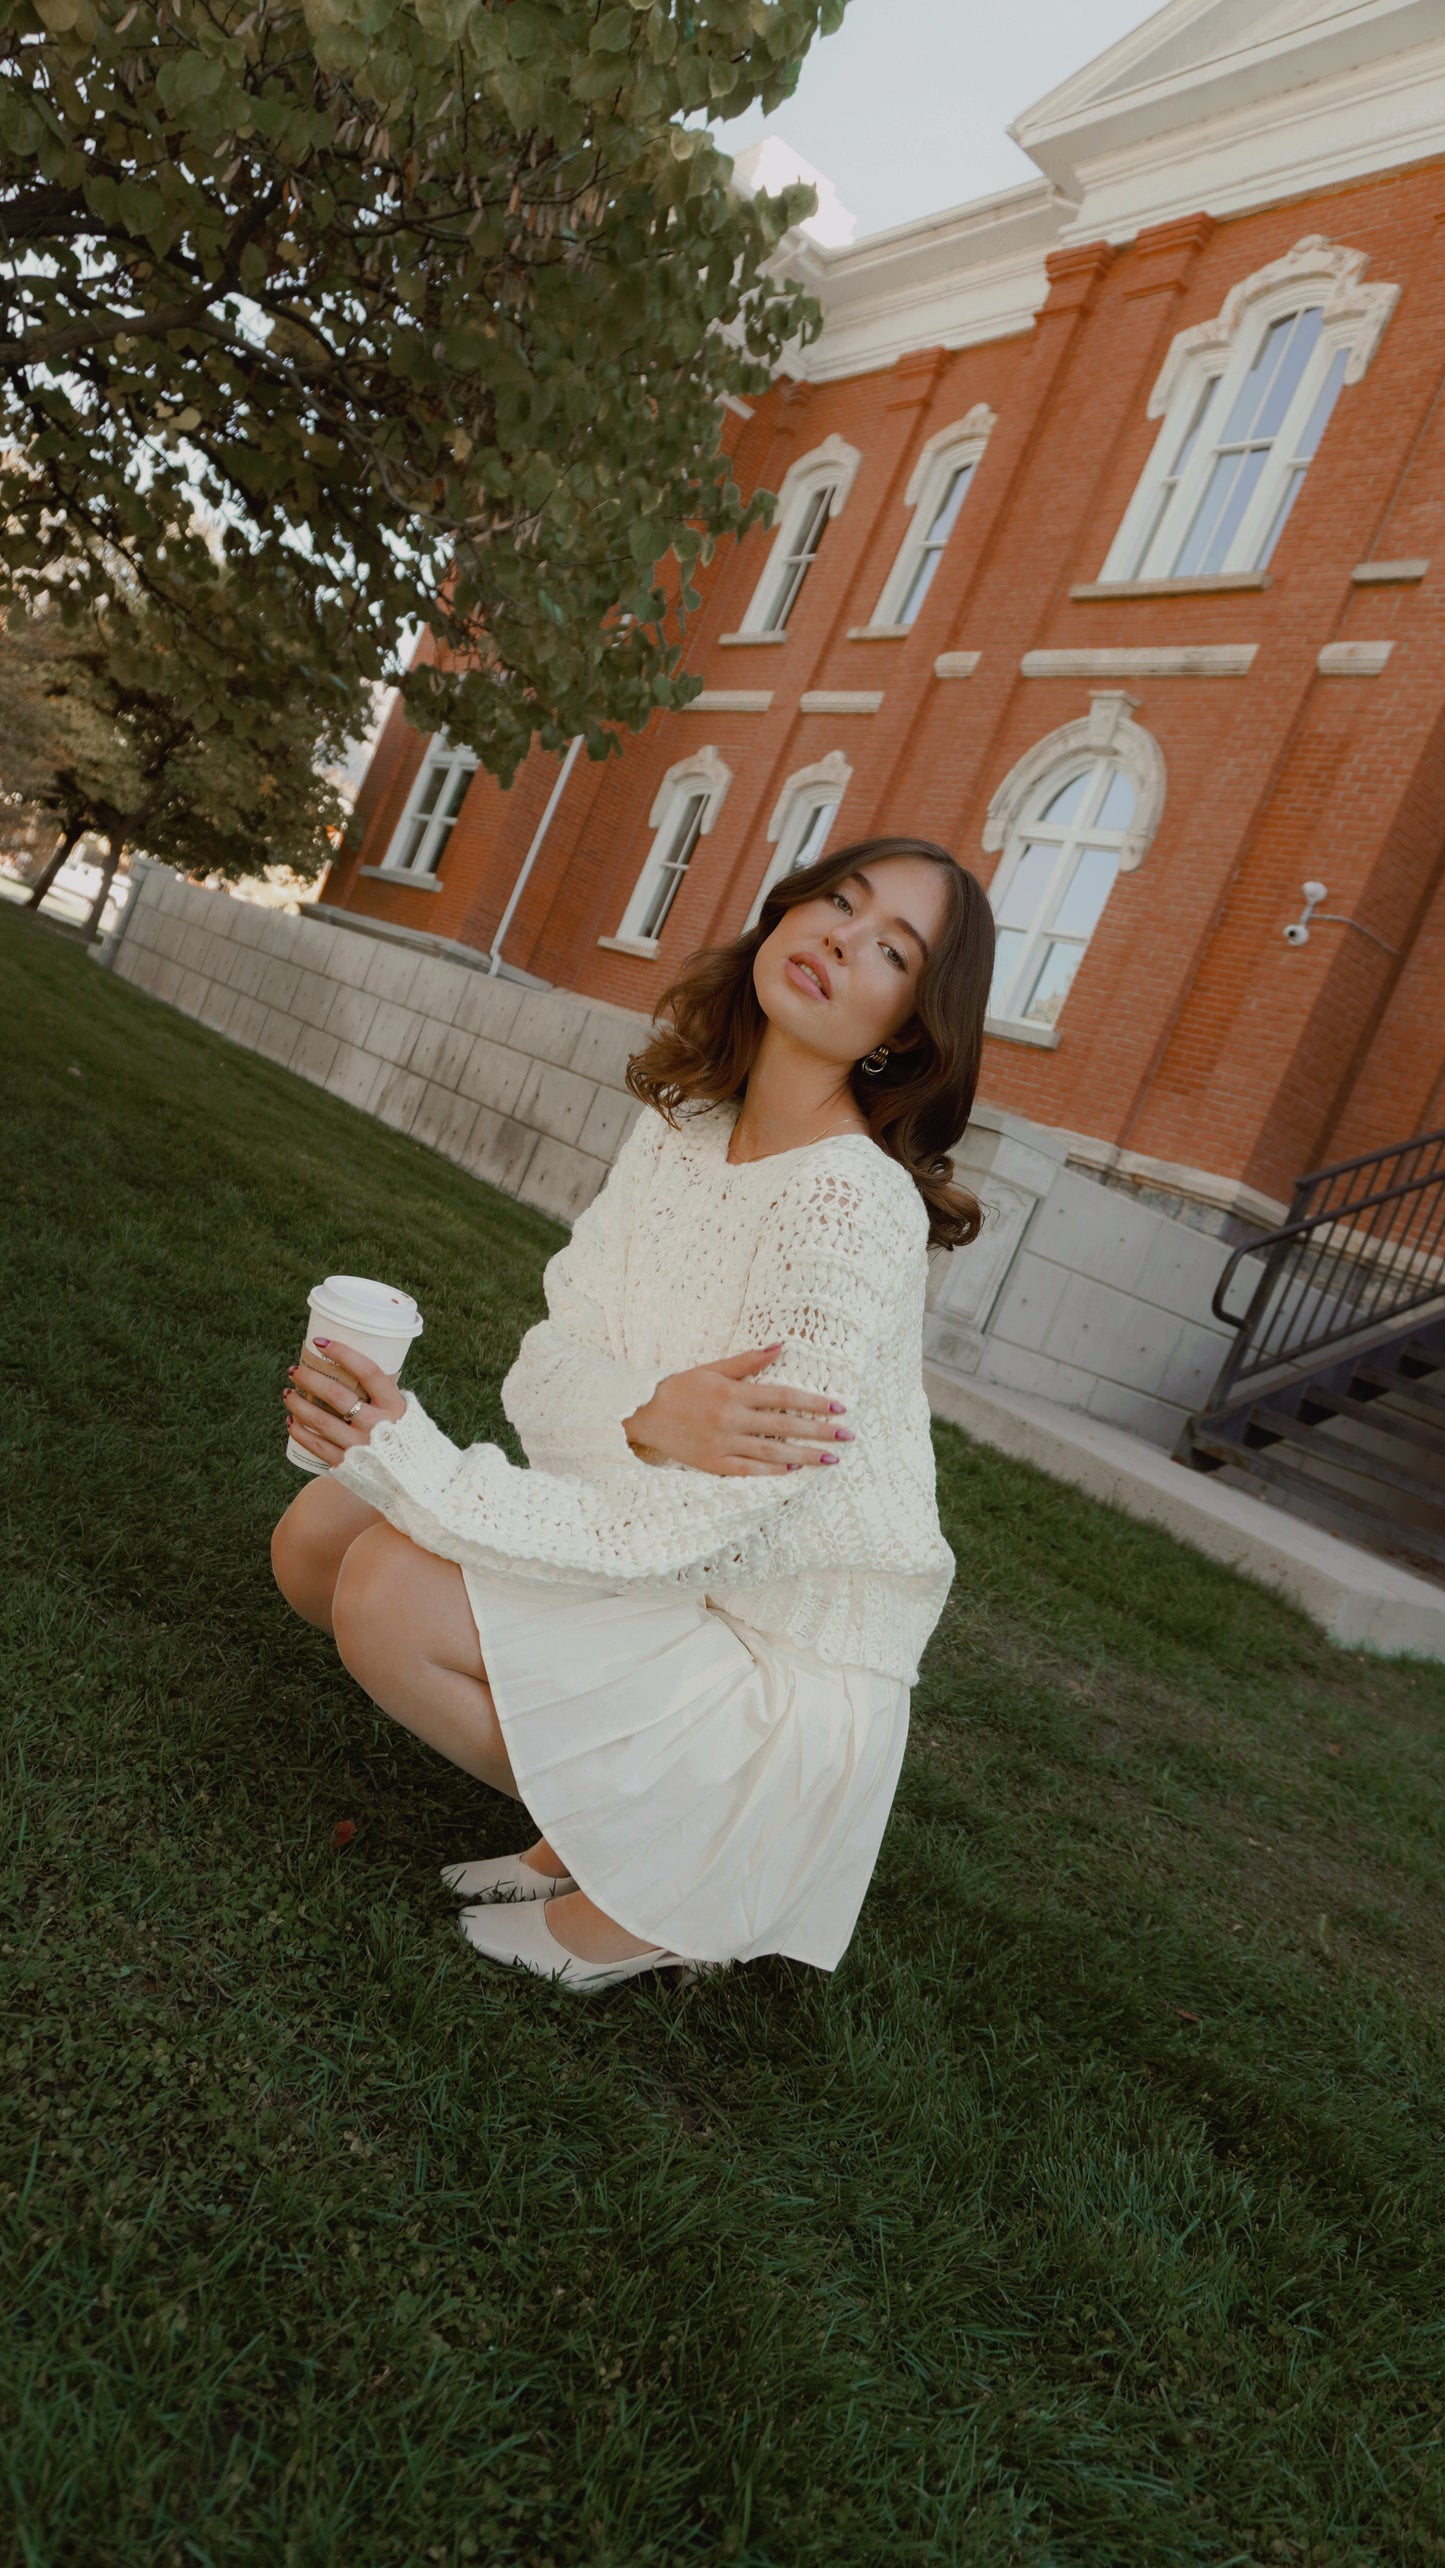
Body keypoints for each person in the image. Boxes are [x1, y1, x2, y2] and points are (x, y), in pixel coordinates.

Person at [270, 836, 994, 1992]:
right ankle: (593, 1829)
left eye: (889, 949)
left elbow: (709, 1532)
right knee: (321, 1531)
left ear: (905, 1027)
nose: (839, 940)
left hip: (773, 1658)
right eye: (835, 903)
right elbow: (547, 1369)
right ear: (786, 911)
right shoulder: (684, 1127)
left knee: (386, 1585)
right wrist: (645, 1418)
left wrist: (416, 1464)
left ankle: (668, 1883)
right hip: (663, 1586)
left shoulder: (853, 1210)